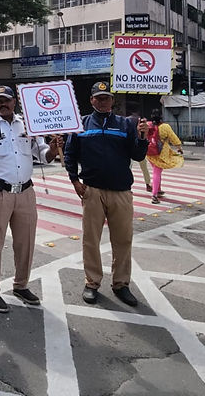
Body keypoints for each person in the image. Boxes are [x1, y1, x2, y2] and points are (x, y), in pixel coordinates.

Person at [0, 85, 63, 313]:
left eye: (6, 100)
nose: (2, 104)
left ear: (15, 101)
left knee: (25, 242)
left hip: (25, 192)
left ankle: (21, 285)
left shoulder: (29, 124)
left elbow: (43, 155)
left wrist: (53, 150)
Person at [63, 81, 148, 307]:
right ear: (91, 100)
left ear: (112, 100)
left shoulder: (126, 125)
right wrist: (74, 180)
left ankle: (121, 284)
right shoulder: (81, 125)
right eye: (98, 98)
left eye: (107, 97)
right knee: (91, 240)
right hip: (92, 191)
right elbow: (70, 154)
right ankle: (92, 282)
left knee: (123, 240)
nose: (103, 101)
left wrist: (142, 137)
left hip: (121, 191)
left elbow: (138, 156)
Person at [145, 109, 184, 204]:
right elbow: (173, 138)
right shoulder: (165, 127)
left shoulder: (148, 125)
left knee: (156, 170)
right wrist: (179, 147)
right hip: (161, 153)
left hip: (149, 151)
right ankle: (154, 195)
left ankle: (158, 189)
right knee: (157, 172)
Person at [126, 107, 153, 192]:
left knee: (129, 167)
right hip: (139, 145)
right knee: (144, 167)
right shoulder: (141, 121)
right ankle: (148, 184)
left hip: (130, 146)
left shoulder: (126, 120)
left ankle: (128, 186)